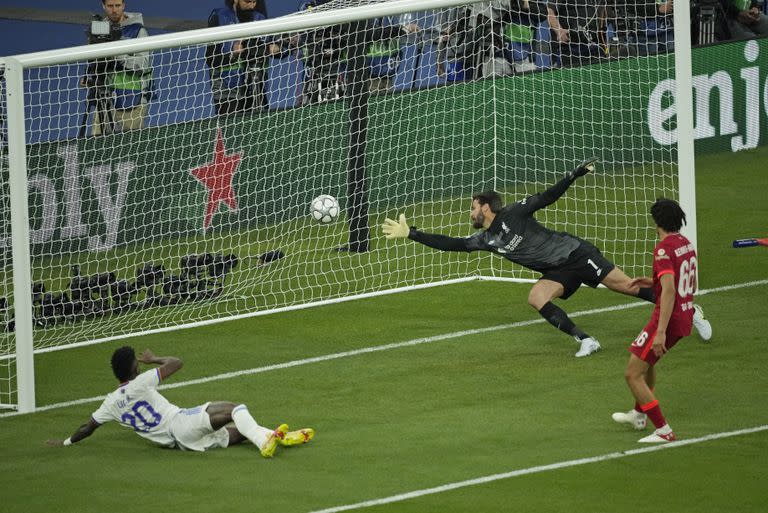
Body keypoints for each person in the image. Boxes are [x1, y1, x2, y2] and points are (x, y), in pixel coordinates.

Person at [382, 158, 712, 357]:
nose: (470, 212)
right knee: (536, 296)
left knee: (626, 286)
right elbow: (452, 244)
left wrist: (572, 175)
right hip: (558, 271)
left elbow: (547, 197)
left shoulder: (514, 213)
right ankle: (586, 340)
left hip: (576, 254)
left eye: (473, 206)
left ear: (486, 207)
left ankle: (690, 309)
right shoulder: (486, 239)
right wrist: (413, 233)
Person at [46, 346, 315, 456]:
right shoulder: (141, 382)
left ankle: (280, 436)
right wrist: (153, 360)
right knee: (236, 408)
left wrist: (66, 441)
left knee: (236, 432)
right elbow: (177, 363)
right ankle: (264, 443)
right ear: (134, 369)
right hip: (180, 422)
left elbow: (88, 427)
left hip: (179, 443)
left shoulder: (108, 404)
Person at [612, 199, 702, 443]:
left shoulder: (663, 249)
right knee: (647, 362)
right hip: (684, 315)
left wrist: (660, 331)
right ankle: (639, 415)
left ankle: (664, 430)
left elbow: (671, 290)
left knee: (632, 374)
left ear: (657, 222)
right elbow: (687, 283)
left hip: (668, 319)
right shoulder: (685, 244)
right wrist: (654, 281)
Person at [206, 0, 283, 115]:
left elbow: (282, 48)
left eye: (254, 1)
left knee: (262, 128)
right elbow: (211, 58)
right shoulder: (220, 17)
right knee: (233, 131)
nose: (252, 5)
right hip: (228, 90)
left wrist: (278, 48)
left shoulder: (260, 19)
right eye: (248, 1)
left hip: (257, 87)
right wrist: (233, 53)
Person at [89, 0, 152, 135]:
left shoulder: (138, 31)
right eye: (110, 6)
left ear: (123, 5)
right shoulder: (100, 29)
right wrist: (89, 75)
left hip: (132, 99)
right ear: (103, 6)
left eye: (117, 6)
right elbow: (94, 60)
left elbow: (142, 65)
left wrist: (116, 51)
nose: (114, 10)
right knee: (95, 148)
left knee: (130, 149)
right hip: (103, 99)